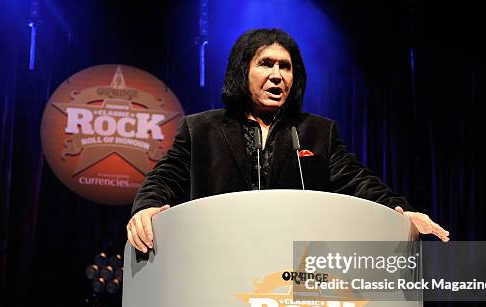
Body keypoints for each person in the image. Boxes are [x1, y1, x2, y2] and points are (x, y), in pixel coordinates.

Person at [127, 28, 449, 253]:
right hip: (218, 259)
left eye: (286, 67)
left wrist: (402, 211)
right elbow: (164, 177)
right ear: (243, 71)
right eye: (266, 64)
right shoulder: (200, 130)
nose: (278, 75)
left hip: (293, 271)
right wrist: (146, 208)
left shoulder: (317, 133)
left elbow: (358, 180)